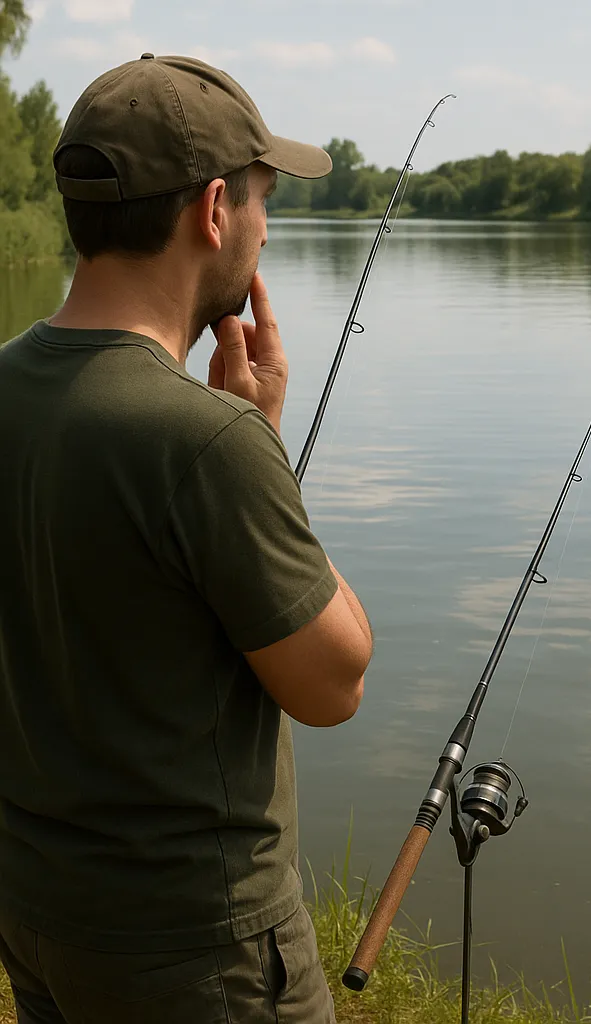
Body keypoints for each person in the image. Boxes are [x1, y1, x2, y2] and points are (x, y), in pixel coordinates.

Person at [0, 54, 372, 1022]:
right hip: (199, 949)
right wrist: (261, 443)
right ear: (213, 210)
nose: (264, 227)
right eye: (262, 198)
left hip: (37, 913)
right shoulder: (209, 442)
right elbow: (334, 683)